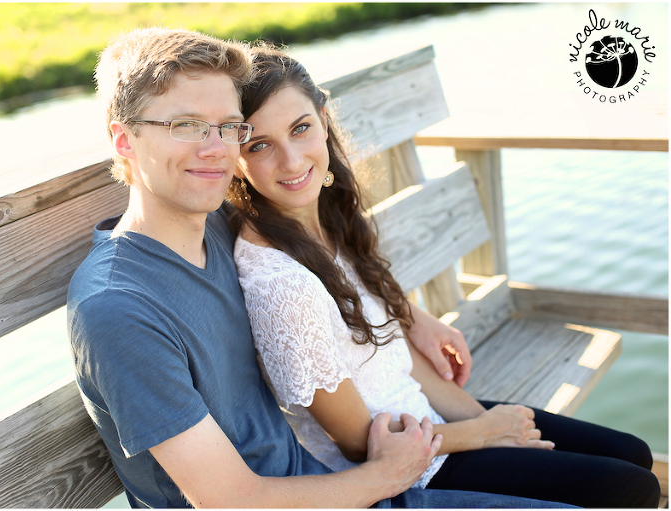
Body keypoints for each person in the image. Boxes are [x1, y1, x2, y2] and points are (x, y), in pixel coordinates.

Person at [67, 26, 572, 509]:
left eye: (227, 127)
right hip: (347, 485)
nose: (215, 148)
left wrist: (409, 318)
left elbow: (320, 235)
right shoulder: (118, 309)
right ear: (124, 141)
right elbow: (232, 502)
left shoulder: (211, 226)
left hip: (330, 479)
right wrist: (386, 473)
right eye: (184, 125)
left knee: (621, 477)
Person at [228, 43, 661, 509]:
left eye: (300, 129)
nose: (292, 161)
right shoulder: (281, 284)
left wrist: (490, 423)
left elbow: (396, 359)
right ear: (234, 155)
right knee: (632, 488)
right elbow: (357, 443)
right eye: (259, 145)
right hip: (406, 475)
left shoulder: (323, 220)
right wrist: (481, 432)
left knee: (633, 455)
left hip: (430, 421)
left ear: (323, 116)